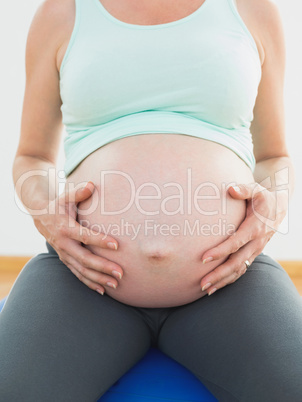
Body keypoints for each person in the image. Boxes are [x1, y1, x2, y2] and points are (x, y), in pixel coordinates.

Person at [1, 0, 302, 400]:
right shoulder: (62, 13)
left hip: (230, 279)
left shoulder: (252, 10)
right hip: (83, 278)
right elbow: (32, 157)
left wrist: (273, 208)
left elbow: (273, 157)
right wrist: (47, 217)